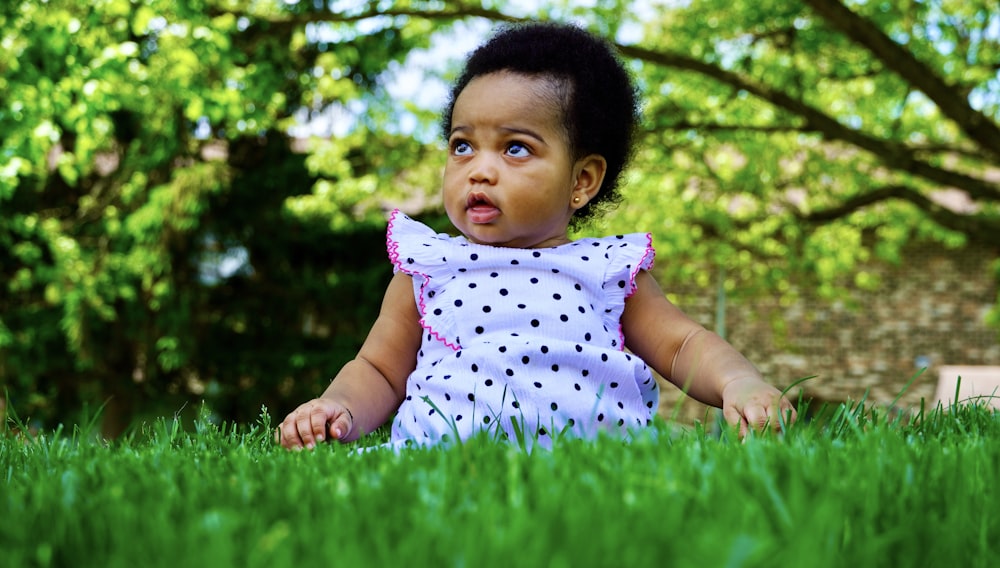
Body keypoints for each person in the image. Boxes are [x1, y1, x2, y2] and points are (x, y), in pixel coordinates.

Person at [278, 22, 796, 450]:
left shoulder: (605, 270)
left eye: (516, 149)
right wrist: (337, 408)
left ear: (581, 181)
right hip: (439, 465)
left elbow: (683, 347)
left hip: (601, 470)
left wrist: (738, 381)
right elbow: (379, 371)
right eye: (462, 146)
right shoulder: (428, 267)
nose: (478, 170)